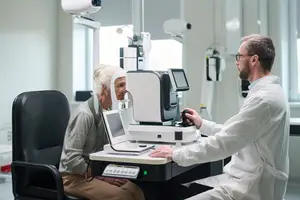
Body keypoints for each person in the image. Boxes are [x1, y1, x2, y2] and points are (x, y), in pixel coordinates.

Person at [150, 34, 290, 200]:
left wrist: (176, 154)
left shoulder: (264, 99)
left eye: (239, 56)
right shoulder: (265, 92)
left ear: (254, 60)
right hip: (245, 178)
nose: (236, 61)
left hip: (251, 187)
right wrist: (203, 124)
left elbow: (226, 142)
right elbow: (238, 133)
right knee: (175, 190)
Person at [59, 64, 145, 200]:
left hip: (96, 171)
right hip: (73, 177)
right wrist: (101, 176)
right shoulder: (85, 114)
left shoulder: (109, 110)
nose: (125, 90)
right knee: (122, 196)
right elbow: (72, 160)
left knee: (136, 191)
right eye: (120, 85)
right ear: (105, 89)